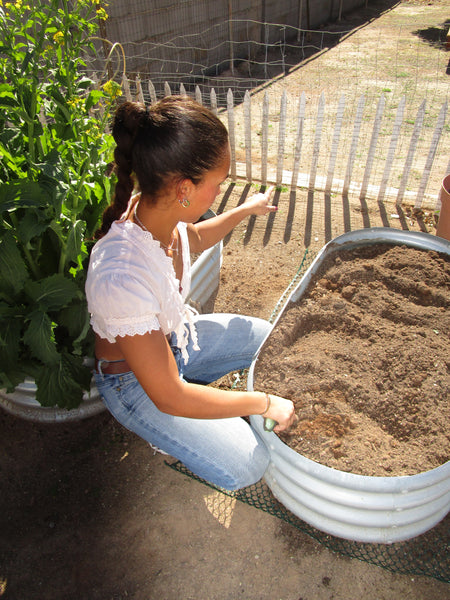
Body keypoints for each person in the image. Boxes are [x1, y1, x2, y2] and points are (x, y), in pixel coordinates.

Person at [86, 96, 296, 491]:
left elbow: (195, 236)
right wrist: (263, 403)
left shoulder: (155, 210)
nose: (220, 193)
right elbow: (167, 395)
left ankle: (198, 401)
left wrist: (246, 209)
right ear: (184, 188)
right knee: (248, 466)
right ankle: (170, 433)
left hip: (174, 342)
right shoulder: (120, 277)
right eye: (218, 184)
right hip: (136, 385)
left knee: (267, 339)